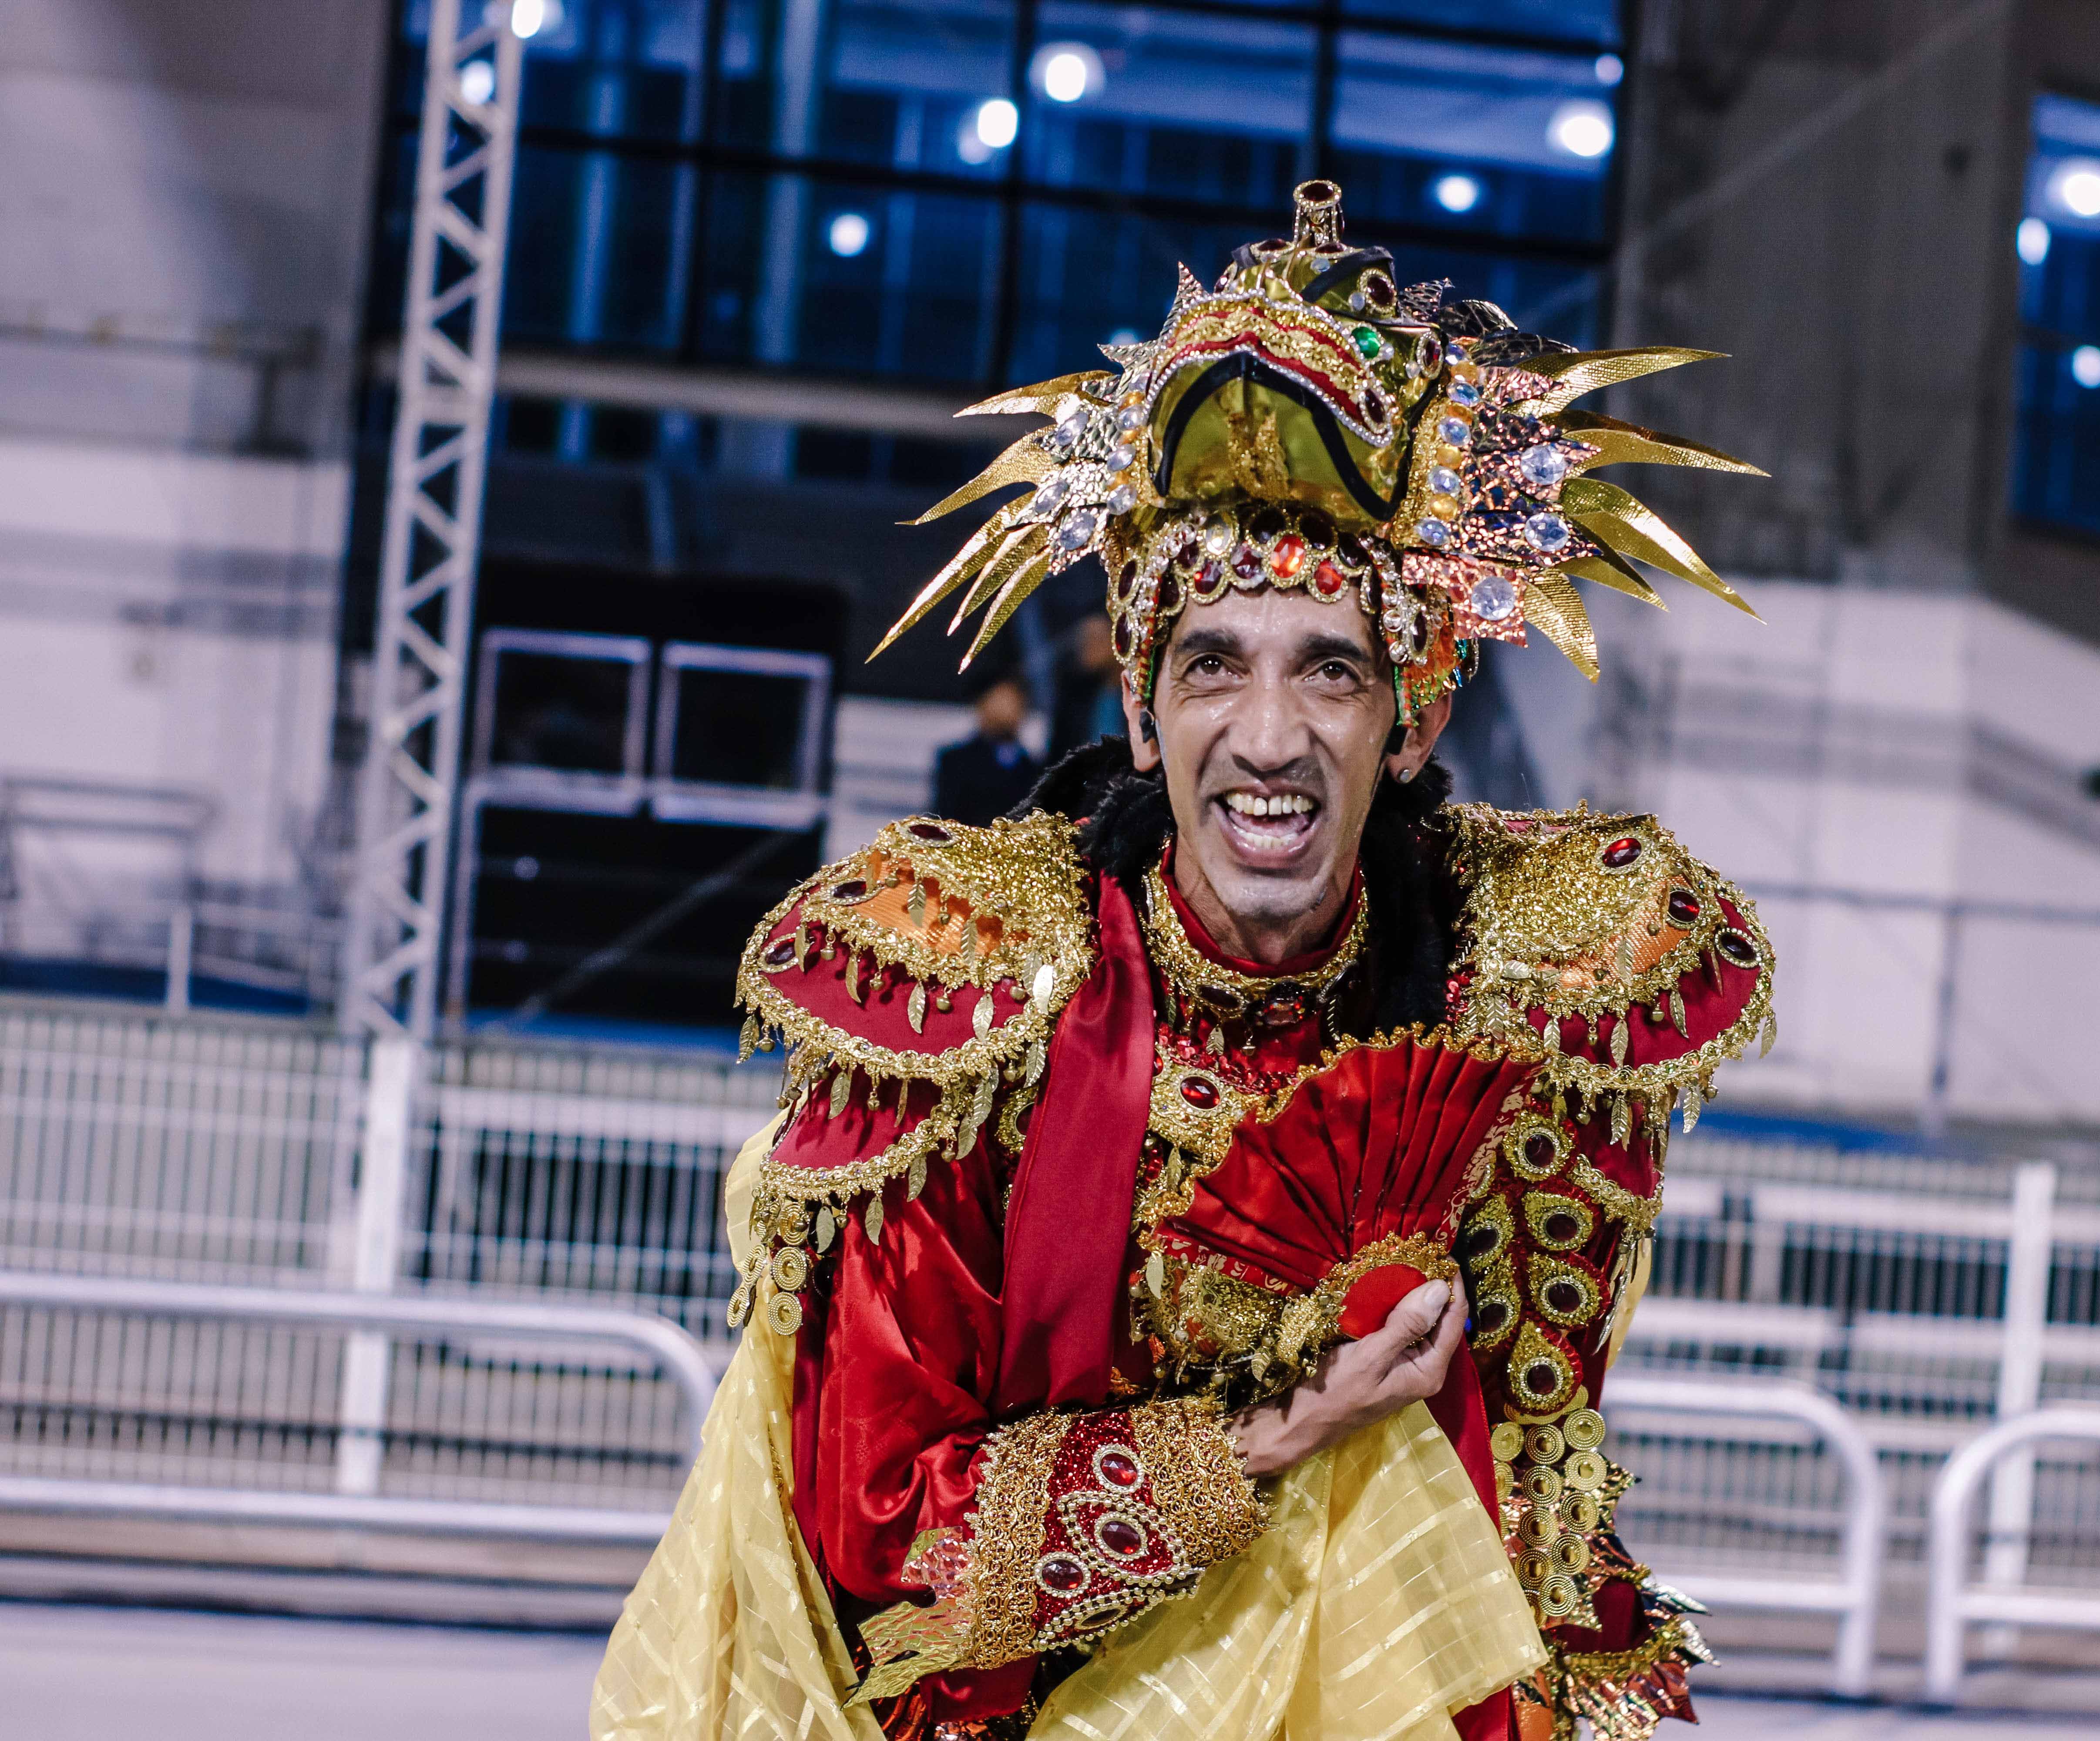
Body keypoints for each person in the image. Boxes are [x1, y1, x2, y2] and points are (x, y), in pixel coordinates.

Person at [594, 180, 1775, 1741]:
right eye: (1211, 663)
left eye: (1330, 671)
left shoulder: (1533, 987)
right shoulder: (974, 990)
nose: (1266, 738)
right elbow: (879, 1524)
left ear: (1411, 721)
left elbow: (1533, 1499)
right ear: (1142, 711)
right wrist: (1282, 1432)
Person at [930, 655, 1042, 826]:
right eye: (1000, 700)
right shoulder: (956, 762)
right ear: (982, 704)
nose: (1008, 709)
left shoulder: (1033, 769)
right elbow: (945, 817)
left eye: (1015, 701)